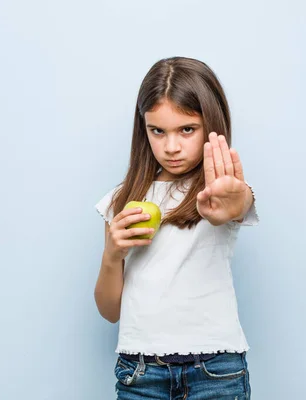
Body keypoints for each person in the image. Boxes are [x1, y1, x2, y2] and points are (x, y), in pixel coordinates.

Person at [94, 56, 259, 400]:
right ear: (144, 130)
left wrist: (234, 201)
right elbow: (110, 312)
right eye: (158, 131)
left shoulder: (220, 192)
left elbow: (239, 202)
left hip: (216, 371)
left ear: (211, 124)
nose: (171, 147)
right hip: (140, 373)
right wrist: (112, 255)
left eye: (187, 129)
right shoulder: (121, 201)